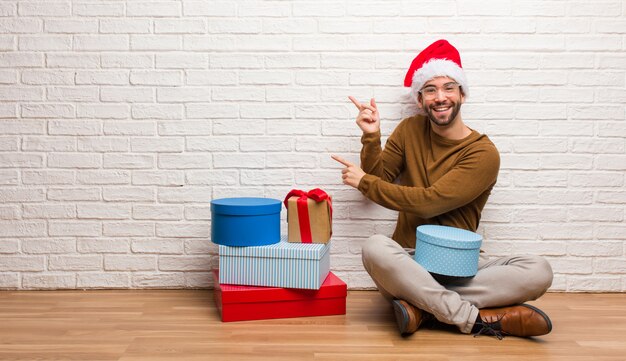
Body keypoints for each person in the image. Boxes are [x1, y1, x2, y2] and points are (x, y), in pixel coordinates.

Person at [331, 39, 553, 339]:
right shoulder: (410, 130)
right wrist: (371, 138)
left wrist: (365, 182)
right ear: (421, 100)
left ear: (462, 93)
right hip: (408, 261)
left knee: (538, 270)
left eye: (449, 87)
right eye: (430, 90)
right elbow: (379, 176)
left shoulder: (483, 153)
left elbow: (430, 202)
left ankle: (423, 307)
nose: (440, 97)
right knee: (375, 248)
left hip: (463, 267)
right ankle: (474, 319)